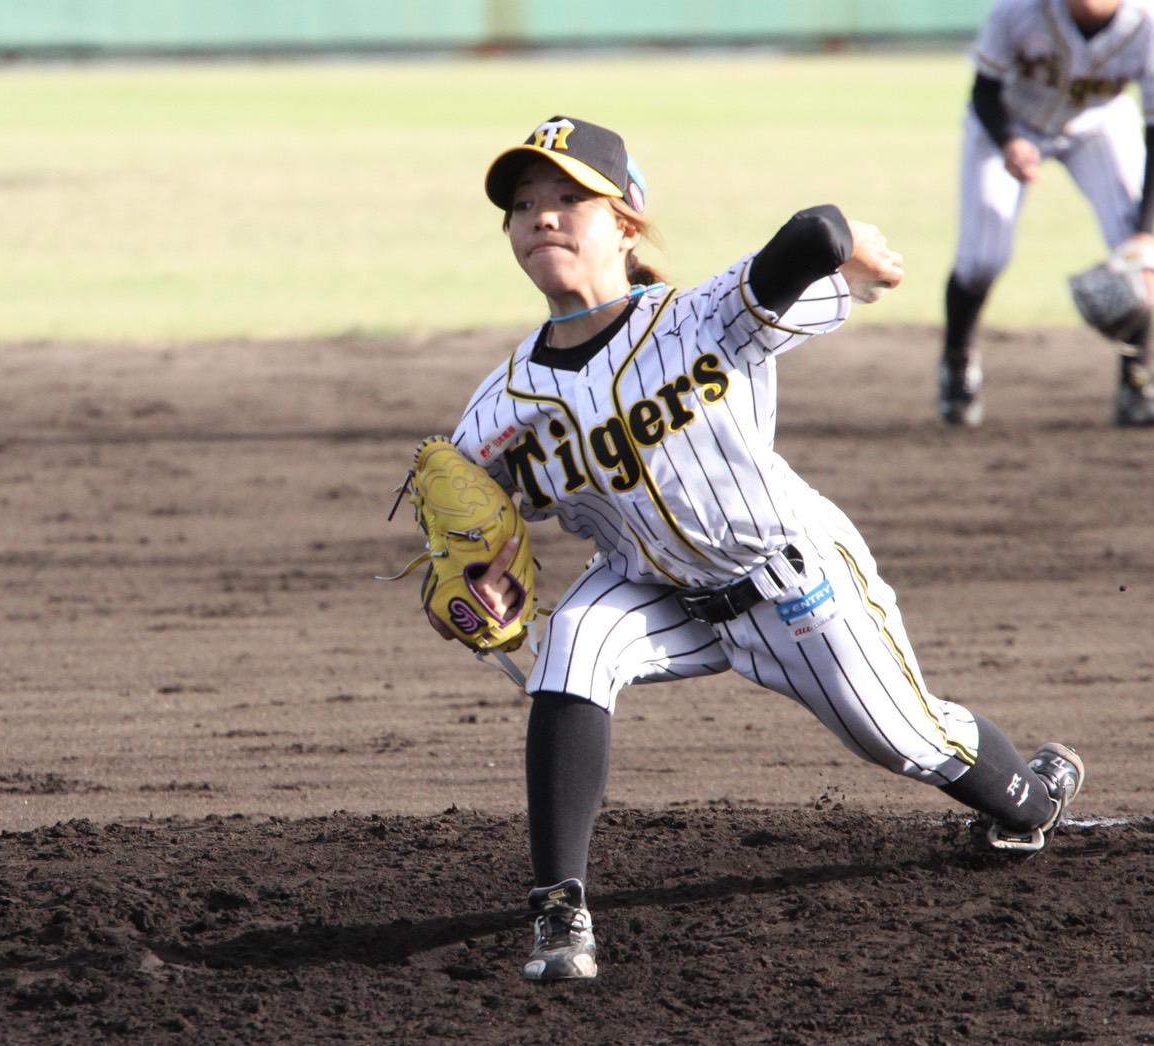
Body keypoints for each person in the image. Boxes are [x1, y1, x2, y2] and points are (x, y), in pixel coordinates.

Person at [428, 114, 1087, 983]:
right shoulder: (498, 406)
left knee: (907, 738)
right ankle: (560, 911)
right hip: (647, 590)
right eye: (523, 205)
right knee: (574, 648)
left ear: (627, 222)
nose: (542, 217)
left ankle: (1031, 799)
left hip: (790, 586)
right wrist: (473, 576)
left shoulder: (704, 318)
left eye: (566, 198)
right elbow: (467, 525)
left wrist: (850, 247)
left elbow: (813, 232)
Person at [938, 0, 1154, 428]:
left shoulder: (1151, 24)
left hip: (1098, 126)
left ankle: (1136, 385)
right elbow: (984, 91)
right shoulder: (1016, 11)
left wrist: (1145, 234)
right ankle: (957, 364)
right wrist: (1008, 142)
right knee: (981, 259)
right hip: (1009, 123)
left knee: (1134, 251)